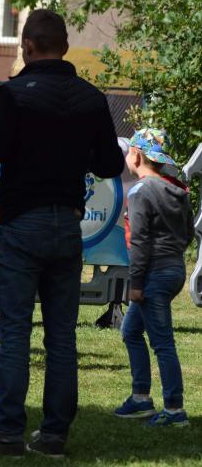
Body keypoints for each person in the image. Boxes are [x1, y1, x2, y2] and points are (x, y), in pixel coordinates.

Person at [0, 9, 124, 458]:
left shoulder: (13, 94)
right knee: (62, 336)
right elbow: (111, 163)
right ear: (65, 47)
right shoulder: (91, 98)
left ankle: (9, 435)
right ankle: (54, 435)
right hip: (68, 224)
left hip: (22, 222)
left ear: (27, 46)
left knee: (15, 332)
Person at [114, 128, 192, 426]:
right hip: (174, 270)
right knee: (131, 331)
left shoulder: (140, 192)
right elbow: (188, 233)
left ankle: (174, 409)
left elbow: (139, 241)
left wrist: (136, 284)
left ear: (136, 155)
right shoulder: (178, 190)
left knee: (163, 343)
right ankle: (140, 398)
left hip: (153, 274)